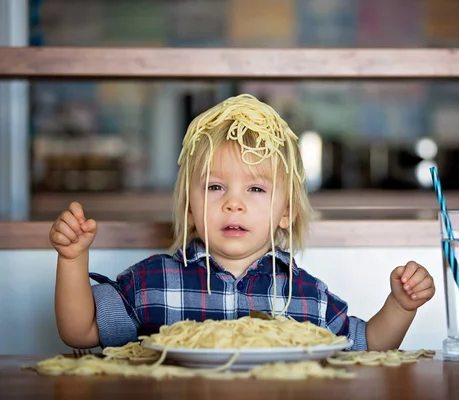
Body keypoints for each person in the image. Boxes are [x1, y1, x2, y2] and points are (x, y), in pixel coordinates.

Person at [49, 94, 435, 351]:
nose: (233, 203)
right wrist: (72, 260)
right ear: (188, 207)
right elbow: (80, 331)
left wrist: (400, 307)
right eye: (215, 186)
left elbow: (365, 344)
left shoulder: (306, 296)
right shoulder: (153, 283)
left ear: (286, 213)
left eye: (255, 190)